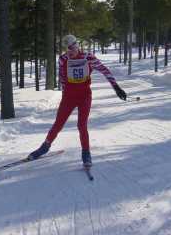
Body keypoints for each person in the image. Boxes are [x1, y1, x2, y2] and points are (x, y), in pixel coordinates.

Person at [27, 34, 127, 169]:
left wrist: (116, 87)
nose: (70, 52)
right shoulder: (62, 59)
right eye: (67, 49)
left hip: (84, 96)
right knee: (58, 123)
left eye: (72, 48)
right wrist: (65, 93)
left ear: (77, 46)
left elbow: (104, 70)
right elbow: (62, 78)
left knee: (82, 125)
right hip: (68, 97)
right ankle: (44, 147)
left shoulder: (88, 57)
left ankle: (86, 153)